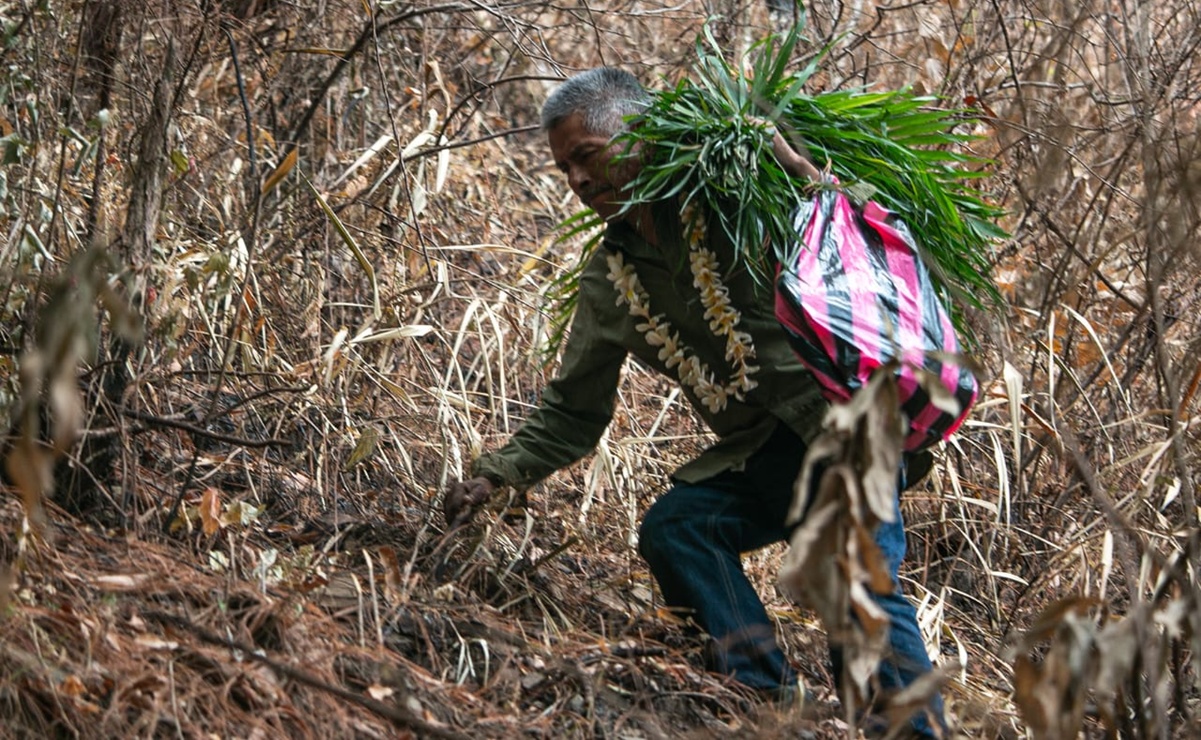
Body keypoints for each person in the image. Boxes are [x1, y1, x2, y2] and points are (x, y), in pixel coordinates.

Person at [442, 67, 945, 737]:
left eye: (587, 156)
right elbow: (573, 408)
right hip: (763, 451)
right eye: (564, 169)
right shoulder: (608, 280)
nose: (578, 181)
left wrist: (807, 180)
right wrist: (496, 473)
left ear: (642, 135)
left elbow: (863, 249)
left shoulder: (741, 199)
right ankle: (762, 698)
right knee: (680, 529)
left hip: (846, 428)